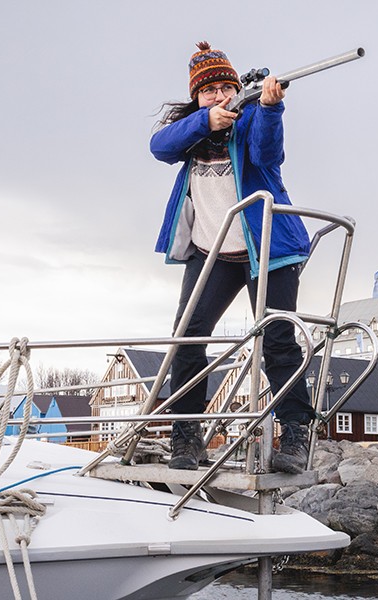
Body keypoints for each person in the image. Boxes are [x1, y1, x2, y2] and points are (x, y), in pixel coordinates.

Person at [151, 42, 314, 473]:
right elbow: (158, 147)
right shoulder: (193, 130)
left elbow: (266, 153)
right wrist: (205, 121)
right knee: (187, 338)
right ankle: (186, 437)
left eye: (227, 87)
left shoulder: (252, 117)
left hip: (268, 250)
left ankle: (296, 434)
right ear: (198, 97)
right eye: (210, 91)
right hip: (211, 254)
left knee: (278, 341)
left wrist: (270, 108)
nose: (221, 96)